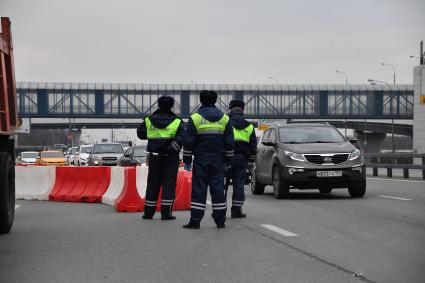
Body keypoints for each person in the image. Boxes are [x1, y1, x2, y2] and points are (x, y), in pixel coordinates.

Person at [182, 90, 234, 229]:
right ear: (215, 100)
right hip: (219, 160)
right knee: (218, 189)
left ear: (201, 100)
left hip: (201, 159)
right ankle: (220, 221)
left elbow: (189, 141)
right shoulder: (225, 119)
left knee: (199, 189)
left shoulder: (195, 118)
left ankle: (195, 221)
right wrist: (229, 160)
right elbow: (229, 142)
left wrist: (187, 159)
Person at [137, 95, 185, 220]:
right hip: (171, 157)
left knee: (153, 183)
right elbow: (182, 138)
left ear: (158, 105)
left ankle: (148, 213)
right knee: (169, 184)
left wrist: (155, 140)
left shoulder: (149, 120)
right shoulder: (177, 121)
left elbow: (140, 134)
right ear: (171, 106)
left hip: (154, 157)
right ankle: (166, 213)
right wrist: (170, 147)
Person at [228, 100, 257, 218]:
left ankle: (218, 210)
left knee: (221, 184)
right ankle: (236, 210)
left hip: (226, 157)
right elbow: (253, 146)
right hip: (241, 158)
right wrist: (251, 160)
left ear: (230, 110)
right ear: (242, 110)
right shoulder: (249, 126)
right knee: (239, 184)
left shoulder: (226, 123)